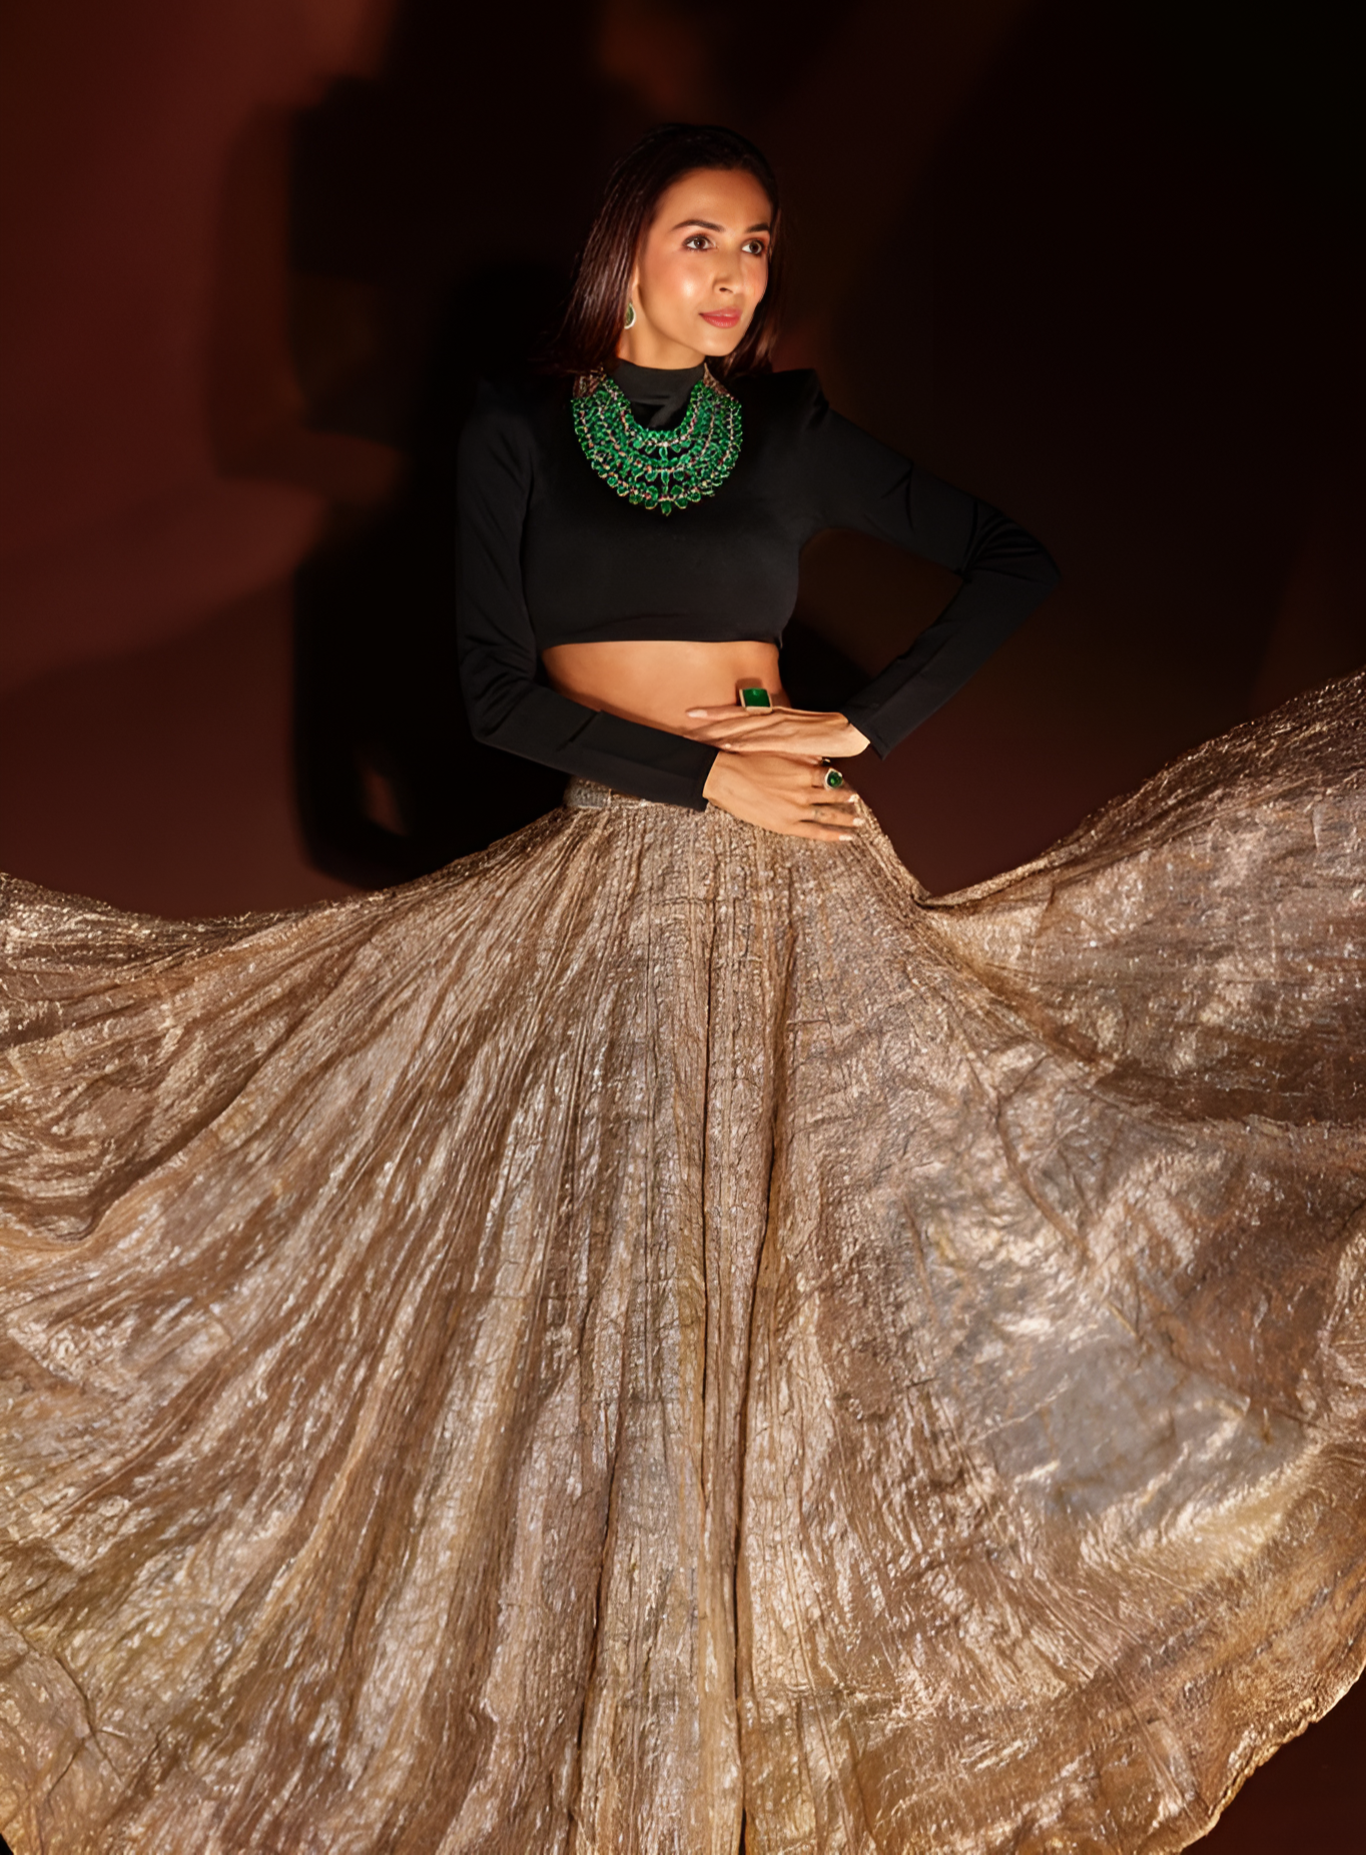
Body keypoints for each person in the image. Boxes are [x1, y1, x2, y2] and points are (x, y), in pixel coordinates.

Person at [0, 124, 1362, 1855]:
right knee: (610, 1306)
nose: (733, 273)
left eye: (757, 244)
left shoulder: (786, 431)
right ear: (624, 251)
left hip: (805, 886)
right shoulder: (514, 427)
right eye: (700, 237)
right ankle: (615, 1754)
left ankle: (756, 1745)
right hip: (619, 876)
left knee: (809, 1295)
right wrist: (705, 775)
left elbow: (1012, 557)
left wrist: (855, 727)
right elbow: (495, 695)